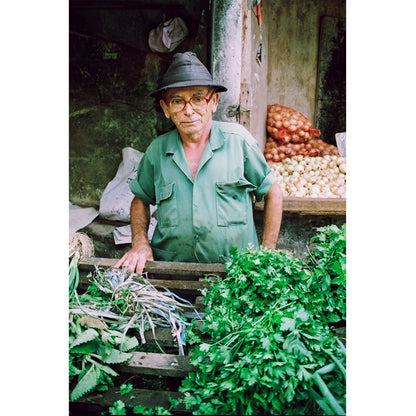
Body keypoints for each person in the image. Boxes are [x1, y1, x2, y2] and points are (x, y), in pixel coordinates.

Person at [115, 52, 283, 274]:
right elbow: (140, 199)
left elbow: (273, 192)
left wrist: (267, 252)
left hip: (235, 273)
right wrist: (140, 244)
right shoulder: (158, 150)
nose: (188, 110)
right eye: (177, 101)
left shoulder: (238, 142)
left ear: (213, 102)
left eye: (197, 98)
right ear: (166, 109)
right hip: (172, 273)